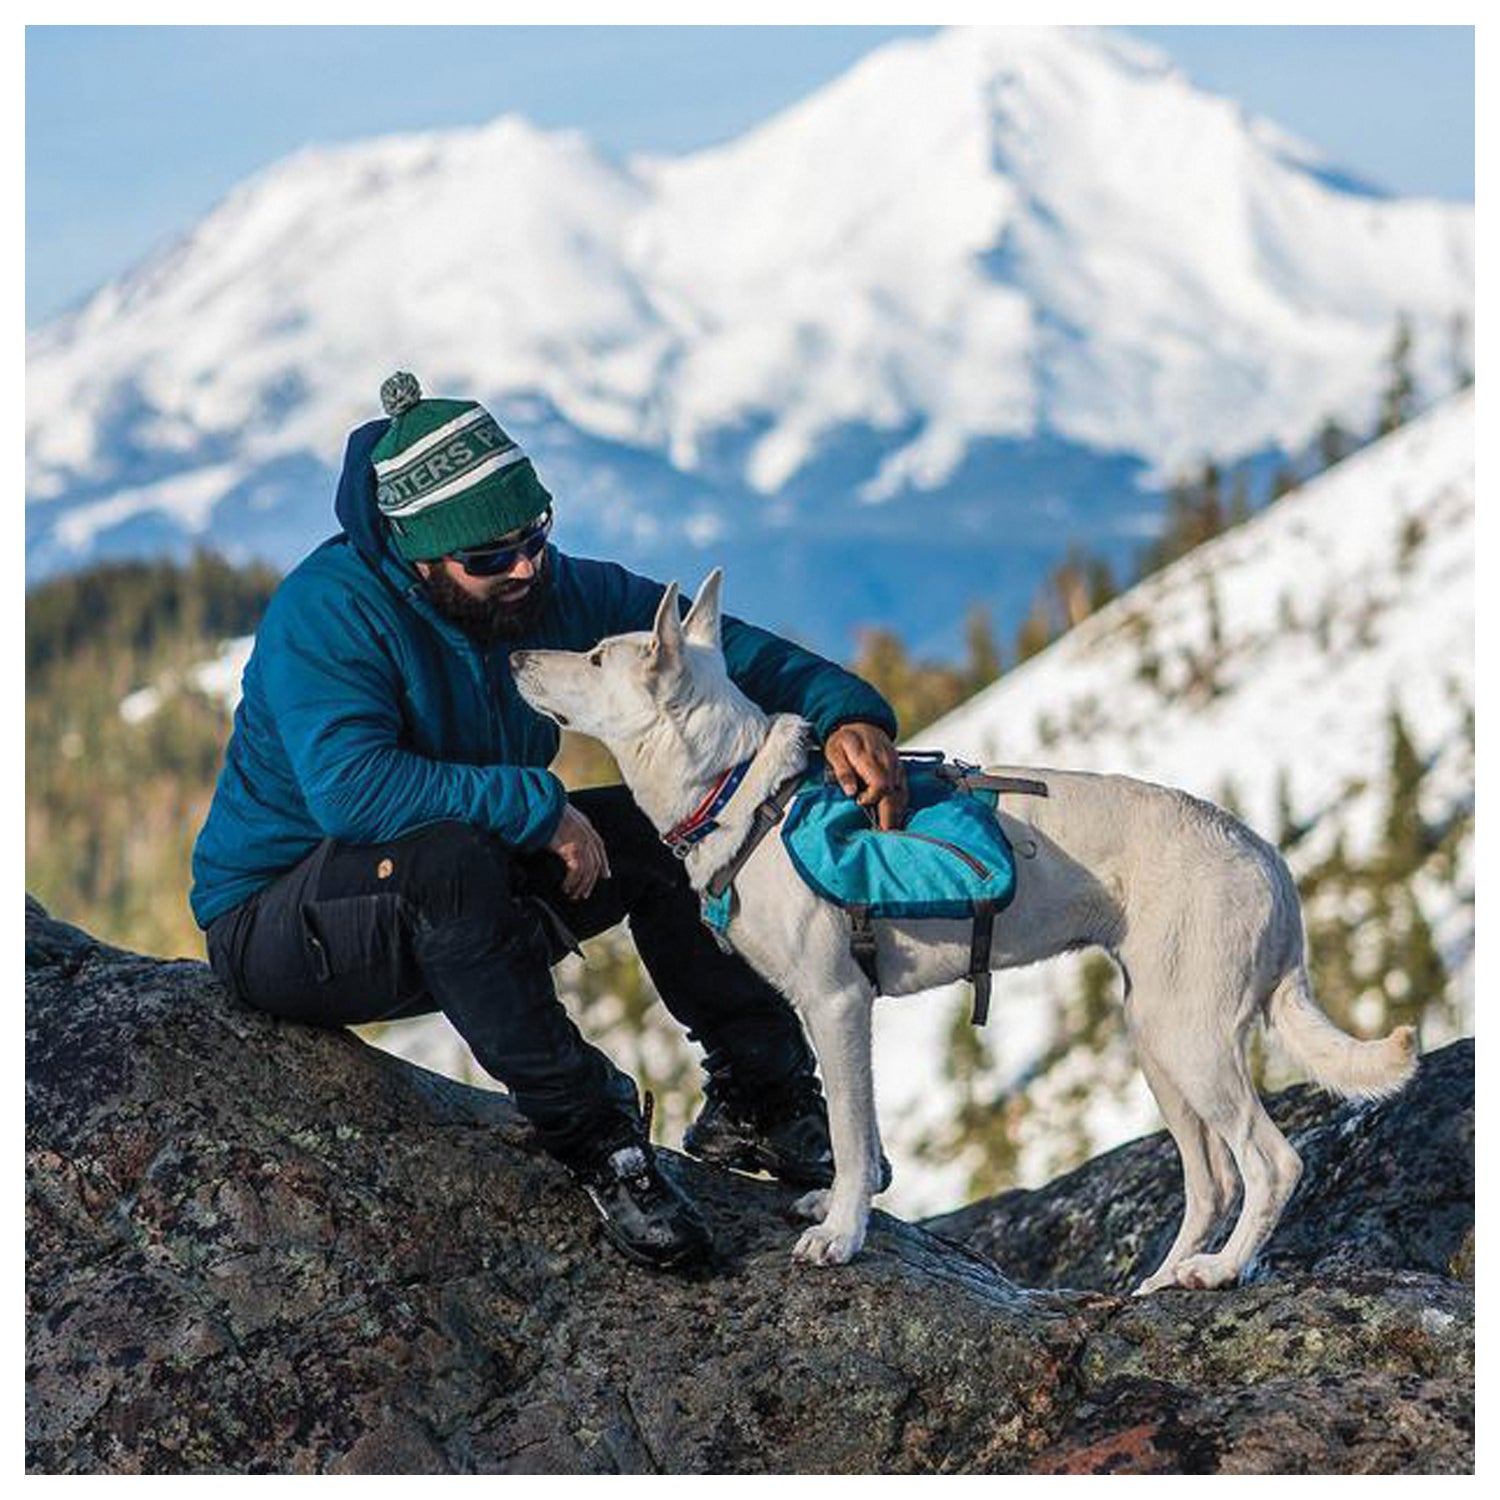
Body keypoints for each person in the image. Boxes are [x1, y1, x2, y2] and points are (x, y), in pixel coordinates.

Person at [192, 372, 907, 1270]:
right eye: (490, 558)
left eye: (534, 536)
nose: (525, 567)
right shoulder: (328, 614)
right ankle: (600, 1144)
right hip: (285, 923)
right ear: (420, 559)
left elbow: (716, 654)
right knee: (449, 861)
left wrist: (847, 713)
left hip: (464, 887)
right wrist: (536, 806)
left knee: (672, 832)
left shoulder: (545, 591)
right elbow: (352, 793)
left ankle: (764, 1100)